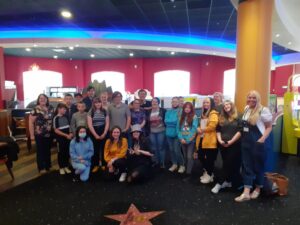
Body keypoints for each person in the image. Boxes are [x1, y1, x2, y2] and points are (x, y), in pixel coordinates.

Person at [235, 90, 272, 202]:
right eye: (249, 97)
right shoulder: (246, 109)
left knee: (258, 167)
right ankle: (246, 192)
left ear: (258, 99)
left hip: (258, 144)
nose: (251, 99)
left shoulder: (263, 110)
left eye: (254, 98)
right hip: (246, 143)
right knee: (247, 166)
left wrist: (261, 139)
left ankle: (257, 189)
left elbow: (269, 127)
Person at [211, 100, 242, 194]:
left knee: (227, 164)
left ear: (232, 105)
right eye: (224, 105)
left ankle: (219, 184)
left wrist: (231, 142)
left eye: (228, 104)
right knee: (227, 163)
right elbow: (218, 130)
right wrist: (220, 141)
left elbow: (240, 131)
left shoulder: (238, 116)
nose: (226, 106)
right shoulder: (222, 117)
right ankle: (228, 182)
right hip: (223, 145)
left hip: (235, 145)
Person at [195, 97, 219, 184]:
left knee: (210, 159)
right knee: (201, 156)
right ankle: (208, 173)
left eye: (207, 102)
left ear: (211, 103)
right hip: (202, 138)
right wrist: (198, 128)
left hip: (210, 140)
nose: (205, 104)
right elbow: (200, 124)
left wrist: (201, 130)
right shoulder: (203, 114)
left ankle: (209, 174)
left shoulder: (213, 113)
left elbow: (212, 126)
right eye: (204, 102)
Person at [29, 94, 54, 173]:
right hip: (39, 134)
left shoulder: (51, 108)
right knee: (40, 151)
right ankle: (41, 167)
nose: (42, 99)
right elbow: (31, 123)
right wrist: (32, 135)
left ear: (47, 99)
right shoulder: (35, 110)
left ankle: (48, 166)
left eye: (44, 98)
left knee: (48, 150)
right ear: (38, 100)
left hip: (49, 134)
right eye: (40, 98)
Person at [87, 97, 109, 173]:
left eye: (99, 102)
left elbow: (107, 123)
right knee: (95, 149)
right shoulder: (91, 111)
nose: (98, 104)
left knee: (103, 148)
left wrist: (105, 133)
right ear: (94, 103)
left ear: (101, 103)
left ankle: (103, 164)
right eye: (96, 102)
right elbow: (90, 125)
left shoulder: (105, 111)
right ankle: (96, 165)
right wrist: (95, 135)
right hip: (94, 131)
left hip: (103, 130)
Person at [177, 102, 198, 175]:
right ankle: (186, 168)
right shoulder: (180, 117)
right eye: (186, 107)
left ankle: (188, 173)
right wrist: (181, 138)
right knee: (185, 156)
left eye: (189, 107)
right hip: (182, 140)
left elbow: (194, 129)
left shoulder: (194, 117)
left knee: (189, 156)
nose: (187, 109)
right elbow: (178, 129)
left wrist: (188, 140)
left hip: (190, 141)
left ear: (191, 109)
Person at [53, 103, 73, 175]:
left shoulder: (66, 116)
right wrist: (66, 135)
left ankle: (66, 166)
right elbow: (56, 130)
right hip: (61, 138)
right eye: (64, 109)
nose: (65, 110)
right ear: (59, 109)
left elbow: (70, 126)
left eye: (65, 109)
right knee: (61, 153)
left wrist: (70, 133)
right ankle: (61, 167)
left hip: (68, 137)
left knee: (67, 152)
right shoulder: (56, 118)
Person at [165, 97, 184, 173]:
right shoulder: (168, 111)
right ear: (171, 103)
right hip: (168, 133)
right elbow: (166, 121)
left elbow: (179, 122)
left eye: (176, 101)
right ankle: (174, 164)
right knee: (171, 150)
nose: (174, 103)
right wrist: (174, 122)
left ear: (179, 103)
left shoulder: (181, 111)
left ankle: (182, 165)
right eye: (173, 101)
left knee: (177, 150)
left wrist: (172, 122)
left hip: (177, 134)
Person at [149, 97, 166, 168]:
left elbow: (166, 120)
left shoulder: (163, 110)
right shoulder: (149, 111)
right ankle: (155, 161)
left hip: (161, 131)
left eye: (156, 101)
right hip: (152, 132)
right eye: (153, 101)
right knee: (153, 147)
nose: (154, 103)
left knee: (161, 147)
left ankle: (162, 162)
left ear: (158, 103)